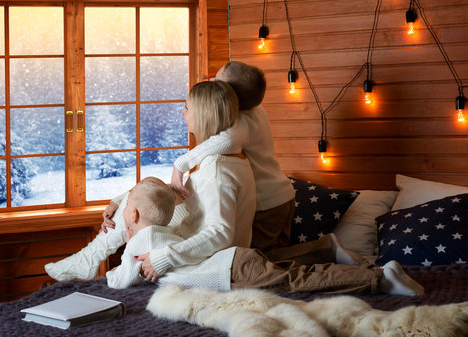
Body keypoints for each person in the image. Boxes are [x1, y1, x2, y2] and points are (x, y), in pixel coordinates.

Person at [45, 80, 256, 282]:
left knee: (144, 196)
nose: (183, 112)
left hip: (205, 255)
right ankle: (89, 258)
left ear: (202, 115)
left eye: (187, 107)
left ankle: (88, 259)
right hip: (192, 227)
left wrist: (164, 257)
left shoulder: (217, 170)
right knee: (149, 187)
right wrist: (121, 200)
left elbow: (220, 234)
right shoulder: (226, 155)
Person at [108, 178, 424, 297]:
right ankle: (324, 248)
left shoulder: (139, 243)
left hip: (230, 272)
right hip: (234, 258)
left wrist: (119, 270)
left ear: (133, 216)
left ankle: (378, 279)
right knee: (283, 267)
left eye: (124, 209)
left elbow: (119, 282)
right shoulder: (169, 233)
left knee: (295, 280)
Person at [170, 61, 296, 254]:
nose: (211, 80)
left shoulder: (239, 121)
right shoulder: (257, 108)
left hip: (266, 203)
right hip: (282, 194)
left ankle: (327, 250)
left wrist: (181, 164)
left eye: (217, 80)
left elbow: (227, 140)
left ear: (230, 95)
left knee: (260, 264)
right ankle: (326, 248)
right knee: (278, 257)